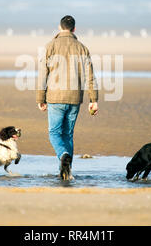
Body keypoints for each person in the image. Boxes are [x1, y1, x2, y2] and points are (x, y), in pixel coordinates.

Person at [36, 15, 98, 180]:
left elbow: (42, 74)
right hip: (74, 98)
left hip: (55, 97)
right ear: (74, 29)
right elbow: (90, 76)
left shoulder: (50, 46)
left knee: (54, 133)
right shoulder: (82, 48)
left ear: (59, 27)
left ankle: (63, 155)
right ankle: (66, 171)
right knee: (68, 134)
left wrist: (40, 98)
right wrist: (94, 100)